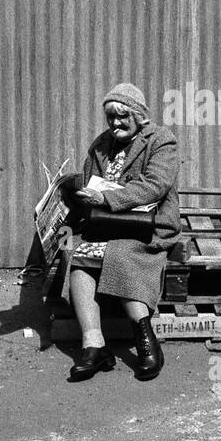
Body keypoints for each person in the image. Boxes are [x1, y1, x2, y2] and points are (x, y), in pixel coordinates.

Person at [58, 83, 181, 382]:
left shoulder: (161, 141)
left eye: (122, 116)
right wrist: (70, 192)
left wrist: (107, 198)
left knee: (122, 253)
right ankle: (94, 345)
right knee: (76, 252)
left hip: (144, 228)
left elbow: (156, 185)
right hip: (105, 226)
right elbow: (89, 182)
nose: (115, 123)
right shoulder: (101, 144)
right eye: (110, 116)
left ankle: (145, 337)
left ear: (139, 115)